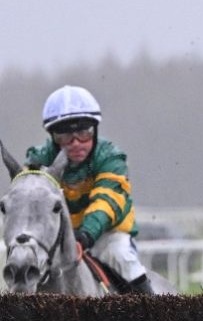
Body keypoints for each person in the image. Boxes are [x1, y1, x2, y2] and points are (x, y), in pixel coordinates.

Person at [26, 85, 156, 294]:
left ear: (94, 130)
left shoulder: (110, 158)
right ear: (53, 137)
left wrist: (86, 235)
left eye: (84, 133)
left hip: (106, 233)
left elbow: (106, 201)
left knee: (122, 256)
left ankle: (155, 318)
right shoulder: (40, 160)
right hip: (60, 236)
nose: (76, 143)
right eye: (65, 137)